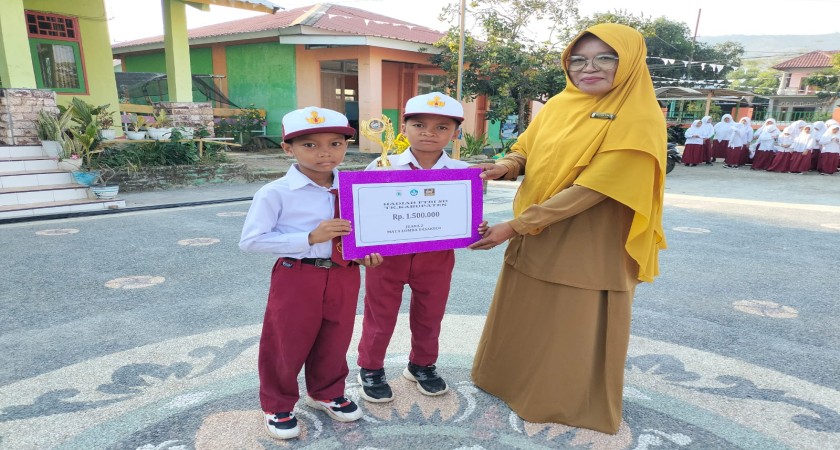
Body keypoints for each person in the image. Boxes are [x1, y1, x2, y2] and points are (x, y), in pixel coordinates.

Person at [468, 23, 667, 434]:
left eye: (604, 58)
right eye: (578, 60)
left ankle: (556, 401)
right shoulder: (560, 104)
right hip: (536, 233)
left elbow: (594, 189)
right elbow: (527, 147)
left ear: (630, 61)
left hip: (589, 243)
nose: (588, 68)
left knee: (569, 325)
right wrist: (506, 166)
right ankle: (506, 381)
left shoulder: (639, 115)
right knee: (527, 311)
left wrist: (515, 226)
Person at [239, 107, 383, 440]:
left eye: (335, 144)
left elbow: (367, 229)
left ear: (346, 146)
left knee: (336, 336)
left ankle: (326, 392)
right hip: (298, 274)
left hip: (344, 273)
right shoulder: (275, 193)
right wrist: (309, 237)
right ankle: (277, 405)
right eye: (309, 145)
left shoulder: (356, 188)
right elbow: (251, 241)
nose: (324, 153)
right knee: (286, 340)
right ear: (287, 148)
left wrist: (365, 255)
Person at [356, 92, 481, 403]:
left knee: (430, 314)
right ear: (404, 128)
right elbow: (361, 212)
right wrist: (360, 250)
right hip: (386, 258)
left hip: (436, 257)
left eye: (442, 127)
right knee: (379, 315)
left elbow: (466, 215)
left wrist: (477, 227)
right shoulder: (382, 165)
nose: (429, 133)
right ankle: (370, 367)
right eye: (419, 125)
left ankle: (422, 365)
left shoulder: (462, 172)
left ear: (456, 133)